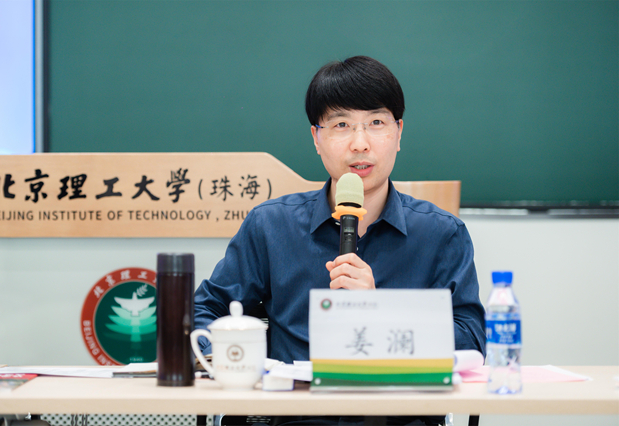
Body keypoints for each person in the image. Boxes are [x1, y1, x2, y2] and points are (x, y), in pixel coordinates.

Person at [195, 57, 485, 424]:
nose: (360, 144)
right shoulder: (270, 226)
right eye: (341, 125)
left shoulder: (442, 234)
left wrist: (380, 311)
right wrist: (230, 359)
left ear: (398, 133)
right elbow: (206, 312)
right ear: (317, 138)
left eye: (376, 123)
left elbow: (472, 341)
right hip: (295, 420)